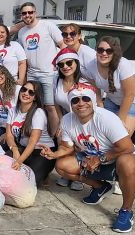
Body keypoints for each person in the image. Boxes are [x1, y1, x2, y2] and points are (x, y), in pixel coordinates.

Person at [41, 83, 135, 233]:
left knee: (128, 162)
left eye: (85, 98)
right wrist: (53, 154)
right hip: (92, 160)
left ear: (92, 101)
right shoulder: (67, 119)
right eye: (75, 100)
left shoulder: (106, 118)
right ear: (71, 104)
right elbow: (67, 147)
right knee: (61, 165)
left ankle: (126, 211)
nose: (81, 103)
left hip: (116, 160)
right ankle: (101, 187)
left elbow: (127, 147)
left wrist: (100, 159)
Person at [17, 2, 65, 136]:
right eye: (24, 13)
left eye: (30, 12)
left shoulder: (48, 26)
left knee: (50, 107)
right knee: (34, 107)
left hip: (49, 73)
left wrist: (61, 64)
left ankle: (52, 139)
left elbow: (62, 45)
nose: (27, 15)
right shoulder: (22, 32)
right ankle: (35, 136)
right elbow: (23, 56)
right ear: (21, 15)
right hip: (32, 74)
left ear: (35, 13)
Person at [53, 48, 91, 191]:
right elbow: (56, 104)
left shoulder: (84, 81)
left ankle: (78, 175)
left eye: (69, 63)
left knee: (79, 147)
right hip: (66, 119)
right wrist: (60, 123)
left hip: (82, 120)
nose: (65, 67)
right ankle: (67, 174)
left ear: (76, 63)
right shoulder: (56, 80)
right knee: (63, 142)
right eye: (61, 65)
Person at [5, 81, 56, 186]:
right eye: (24, 89)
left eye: (31, 92)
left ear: (35, 97)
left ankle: (44, 174)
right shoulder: (12, 110)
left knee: (28, 182)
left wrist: (19, 162)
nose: (26, 93)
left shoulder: (38, 113)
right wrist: (14, 150)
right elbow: (9, 135)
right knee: (4, 167)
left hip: (42, 152)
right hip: (22, 148)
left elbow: (33, 142)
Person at [84, 36, 135, 136]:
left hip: (132, 103)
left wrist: (120, 120)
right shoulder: (91, 66)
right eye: (100, 50)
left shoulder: (123, 65)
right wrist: (100, 106)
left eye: (109, 51)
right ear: (96, 51)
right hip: (111, 101)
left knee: (121, 136)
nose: (104, 53)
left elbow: (130, 94)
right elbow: (95, 89)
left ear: (114, 52)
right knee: (101, 135)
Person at [0, 65, 21, 147]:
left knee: (2, 144)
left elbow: (21, 114)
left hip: (16, 127)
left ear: (6, 74)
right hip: (2, 127)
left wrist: (7, 133)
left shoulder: (17, 89)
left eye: (0, 74)